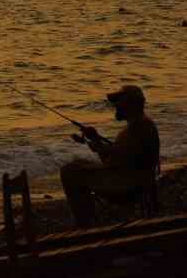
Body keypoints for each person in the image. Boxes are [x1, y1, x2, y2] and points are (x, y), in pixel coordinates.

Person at [59, 85, 160, 228]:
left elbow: (118, 162)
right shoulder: (140, 124)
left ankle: (85, 225)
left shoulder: (139, 126)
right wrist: (95, 140)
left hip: (130, 186)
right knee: (77, 165)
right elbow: (114, 159)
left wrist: (98, 145)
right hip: (132, 181)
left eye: (118, 101)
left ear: (130, 104)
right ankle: (88, 222)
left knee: (70, 172)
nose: (115, 105)